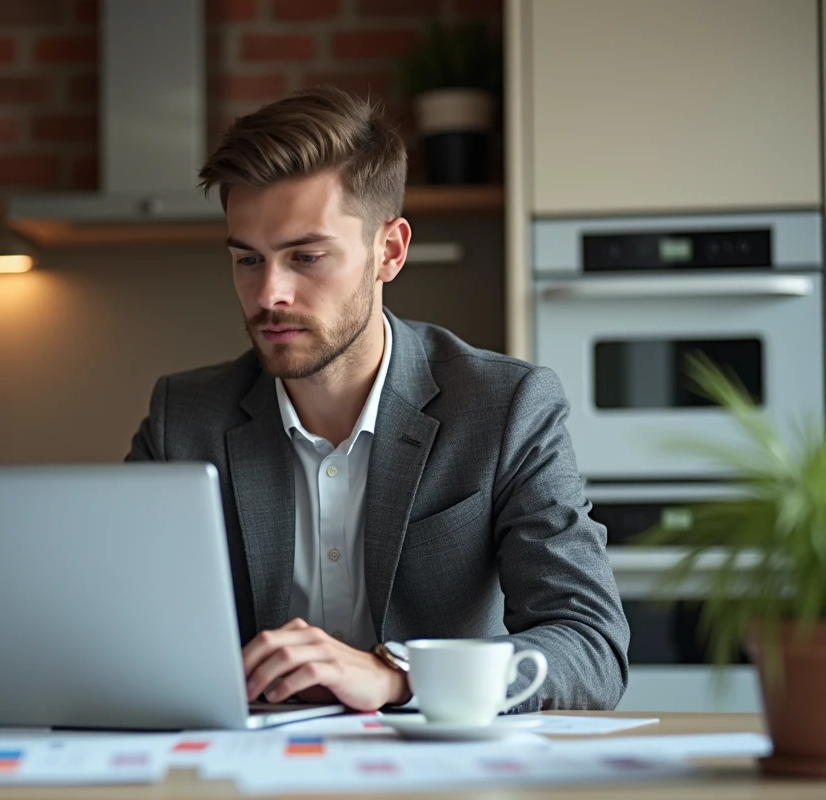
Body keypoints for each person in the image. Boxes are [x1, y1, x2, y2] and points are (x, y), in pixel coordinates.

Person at [126, 86, 629, 713]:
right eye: (248, 260)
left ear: (388, 250)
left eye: (306, 257)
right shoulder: (184, 419)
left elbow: (591, 645)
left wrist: (401, 676)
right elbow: (112, 624)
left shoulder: (504, 407)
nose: (270, 293)